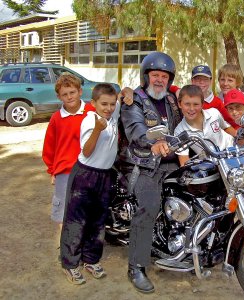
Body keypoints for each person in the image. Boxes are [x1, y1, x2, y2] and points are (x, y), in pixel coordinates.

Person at [118, 51, 182, 294]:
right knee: (150, 205)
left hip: (170, 162)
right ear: (146, 76)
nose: (159, 80)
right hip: (143, 164)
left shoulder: (171, 99)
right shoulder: (133, 100)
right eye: (155, 75)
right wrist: (151, 143)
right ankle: (136, 266)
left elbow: (196, 104)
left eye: (164, 76)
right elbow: (136, 130)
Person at [60, 83, 133, 285]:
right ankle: (70, 264)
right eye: (104, 104)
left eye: (111, 104)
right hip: (85, 174)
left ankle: (90, 259)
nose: (108, 108)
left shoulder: (112, 113)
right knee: (76, 221)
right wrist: (97, 131)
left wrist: (127, 91)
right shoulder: (90, 121)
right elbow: (87, 151)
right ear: (93, 103)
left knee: (98, 220)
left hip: (104, 175)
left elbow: (123, 93)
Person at [42, 73, 95, 251]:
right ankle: (66, 244)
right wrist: (52, 171)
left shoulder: (91, 112)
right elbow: (49, 147)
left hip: (88, 170)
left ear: (80, 91)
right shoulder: (56, 118)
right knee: (64, 209)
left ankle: (83, 243)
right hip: (64, 170)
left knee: (85, 208)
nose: (69, 97)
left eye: (72, 92)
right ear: (59, 96)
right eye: (65, 94)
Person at [174, 85, 235, 166]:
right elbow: (184, 161)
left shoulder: (214, 113)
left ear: (202, 104)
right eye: (187, 104)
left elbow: (227, 128)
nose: (191, 109)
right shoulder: (179, 131)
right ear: (179, 104)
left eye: (196, 104)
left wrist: (242, 139)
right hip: (211, 165)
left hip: (232, 152)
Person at [190, 64, 239, 129]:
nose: (201, 82)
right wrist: (176, 89)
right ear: (192, 81)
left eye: (205, 79)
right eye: (198, 79)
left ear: (210, 81)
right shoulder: (186, 98)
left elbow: (230, 122)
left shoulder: (217, 102)